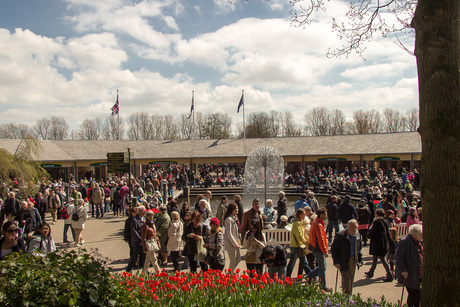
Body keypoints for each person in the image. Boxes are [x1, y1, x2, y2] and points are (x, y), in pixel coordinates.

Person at [331, 219, 363, 295]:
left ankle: (349, 295)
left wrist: (360, 259)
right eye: (351, 228)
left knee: (351, 278)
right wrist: (336, 261)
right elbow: (334, 249)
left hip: (353, 259)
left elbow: (359, 249)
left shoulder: (357, 235)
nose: (353, 230)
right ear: (347, 227)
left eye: (355, 228)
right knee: (346, 278)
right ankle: (345, 295)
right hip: (343, 259)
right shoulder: (340, 235)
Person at [286, 209, 320, 279]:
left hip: (299, 245)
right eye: (303, 214)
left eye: (305, 214)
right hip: (296, 246)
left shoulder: (299, 223)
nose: (305, 216)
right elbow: (299, 236)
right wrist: (307, 243)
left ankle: (311, 276)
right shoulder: (297, 223)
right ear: (299, 215)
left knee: (304, 263)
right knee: (293, 263)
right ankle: (287, 276)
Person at [395, 224, 423, 307]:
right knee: (415, 293)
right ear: (414, 234)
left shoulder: (417, 242)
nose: (422, 236)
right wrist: (403, 269)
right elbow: (398, 257)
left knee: (413, 294)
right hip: (409, 273)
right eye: (420, 234)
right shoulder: (404, 242)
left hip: (416, 272)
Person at [365, 208, 393, 282]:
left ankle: (390, 275)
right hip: (383, 242)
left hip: (378, 243)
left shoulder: (377, 222)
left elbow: (373, 233)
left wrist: (368, 235)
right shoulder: (385, 221)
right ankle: (371, 272)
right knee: (375, 258)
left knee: (382, 258)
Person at [308, 208, 331, 291]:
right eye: (325, 214)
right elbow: (320, 239)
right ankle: (323, 285)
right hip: (318, 249)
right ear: (321, 215)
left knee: (322, 266)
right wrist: (325, 251)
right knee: (322, 267)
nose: (327, 215)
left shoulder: (315, 222)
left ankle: (310, 276)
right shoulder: (318, 225)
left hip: (315, 248)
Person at [126, 205, 146, 272]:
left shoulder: (143, 219)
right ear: (139, 212)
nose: (145, 212)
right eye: (143, 211)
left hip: (143, 241)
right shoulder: (134, 220)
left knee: (144, 256)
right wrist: (139, 240)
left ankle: (145, 270)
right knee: (134, 256)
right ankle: (128, 269)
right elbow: (134, 231)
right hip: (137, 242)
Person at [223, 202, 242, 271]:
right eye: (236, 208)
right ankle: (230, 275)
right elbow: (229, 233)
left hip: (235, 242)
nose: (238, 209)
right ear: (232, 209)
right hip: (231, 243)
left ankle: (230, 272)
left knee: (238, 259)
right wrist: (235, 244)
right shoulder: (228, 220)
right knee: (233, 261)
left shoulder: (234, 218)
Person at [142, 210, 160, 274]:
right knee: (154, 260)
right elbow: (143, 238)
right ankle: (159, 272)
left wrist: (158, 242)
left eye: (152, 216)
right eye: (150, 216)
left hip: (153, 242)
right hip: (149, 244)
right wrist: (144, 247)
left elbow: (155, 234)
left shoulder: (153, 225)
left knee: (148, 259)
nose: (152, 217)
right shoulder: (145, 226)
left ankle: (144, 272)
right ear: (147, 217)